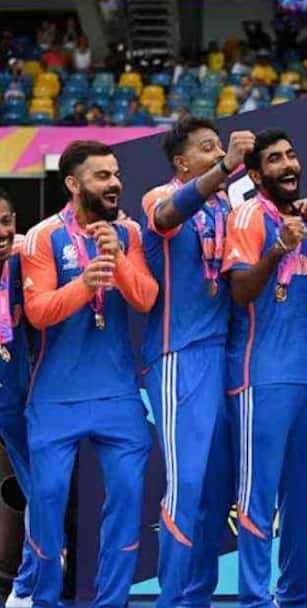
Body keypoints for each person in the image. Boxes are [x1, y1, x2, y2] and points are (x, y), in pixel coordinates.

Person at [22, 140, 158, 607]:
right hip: (56, 397)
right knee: (47, 502)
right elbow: (38, 312)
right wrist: (84, 284)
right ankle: (44, 600)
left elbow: (146, 298)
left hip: (118, 395)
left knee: (127, 500)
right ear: (73, 184)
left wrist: (116, 258)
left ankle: (111, 603)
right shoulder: (43, 237)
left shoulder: (129, 233)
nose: (114, 183)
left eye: (116, 174)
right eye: (102, 176)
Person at [139, 118, 254, 607]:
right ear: (182, 163)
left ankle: (197, 598)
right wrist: (226, 167)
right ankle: (171, 600)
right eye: (208, 148)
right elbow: (168, 216)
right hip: (178, 356)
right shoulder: (159, 195)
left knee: (217, 490)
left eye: (220, 147)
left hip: (225, 357)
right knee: (186, 486)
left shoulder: (230, 207)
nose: (218, 153)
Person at [223, 130, 307, 607]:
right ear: (256, 175)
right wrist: (275, 249)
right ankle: (254, 599)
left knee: (303, 502)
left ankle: (293, 597)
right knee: (257, 498)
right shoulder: (248, 216)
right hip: (259, 379)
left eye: (291, 155)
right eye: (275, 159)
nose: (288, 165)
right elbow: (240, 293)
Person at [0, 192, 36, 608]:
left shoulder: (25, 257)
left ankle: (26, 585)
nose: (2, 232)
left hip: (17, 395)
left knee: (38, 487)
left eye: (6, 220)